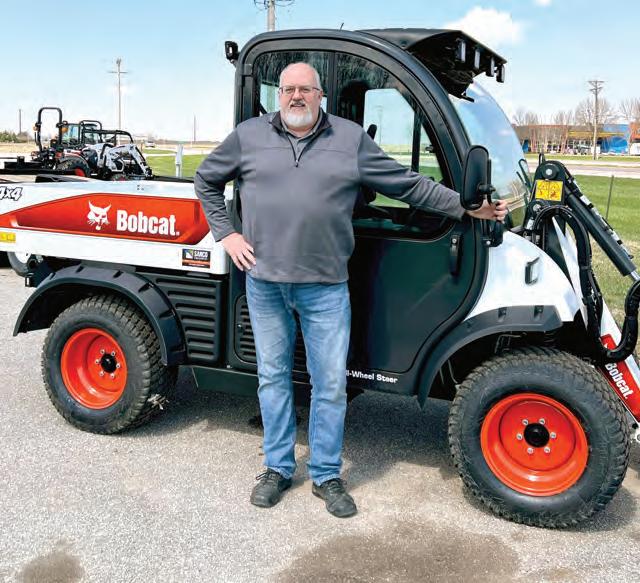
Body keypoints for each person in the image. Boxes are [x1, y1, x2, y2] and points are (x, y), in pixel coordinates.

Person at [194, 62, 508, 519]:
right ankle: (277, 468)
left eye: (306, 89)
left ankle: (326, 474)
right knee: (273, 378)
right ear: (279, 94)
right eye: (289, 89)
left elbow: (407, 184)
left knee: (329, 384)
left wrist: (464, 208)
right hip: (265, 284)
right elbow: (206, 180)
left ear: (320, 94)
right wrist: (227, 234)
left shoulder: (349, 139)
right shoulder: (248, 136)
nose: (296, 96)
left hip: (324, 289)